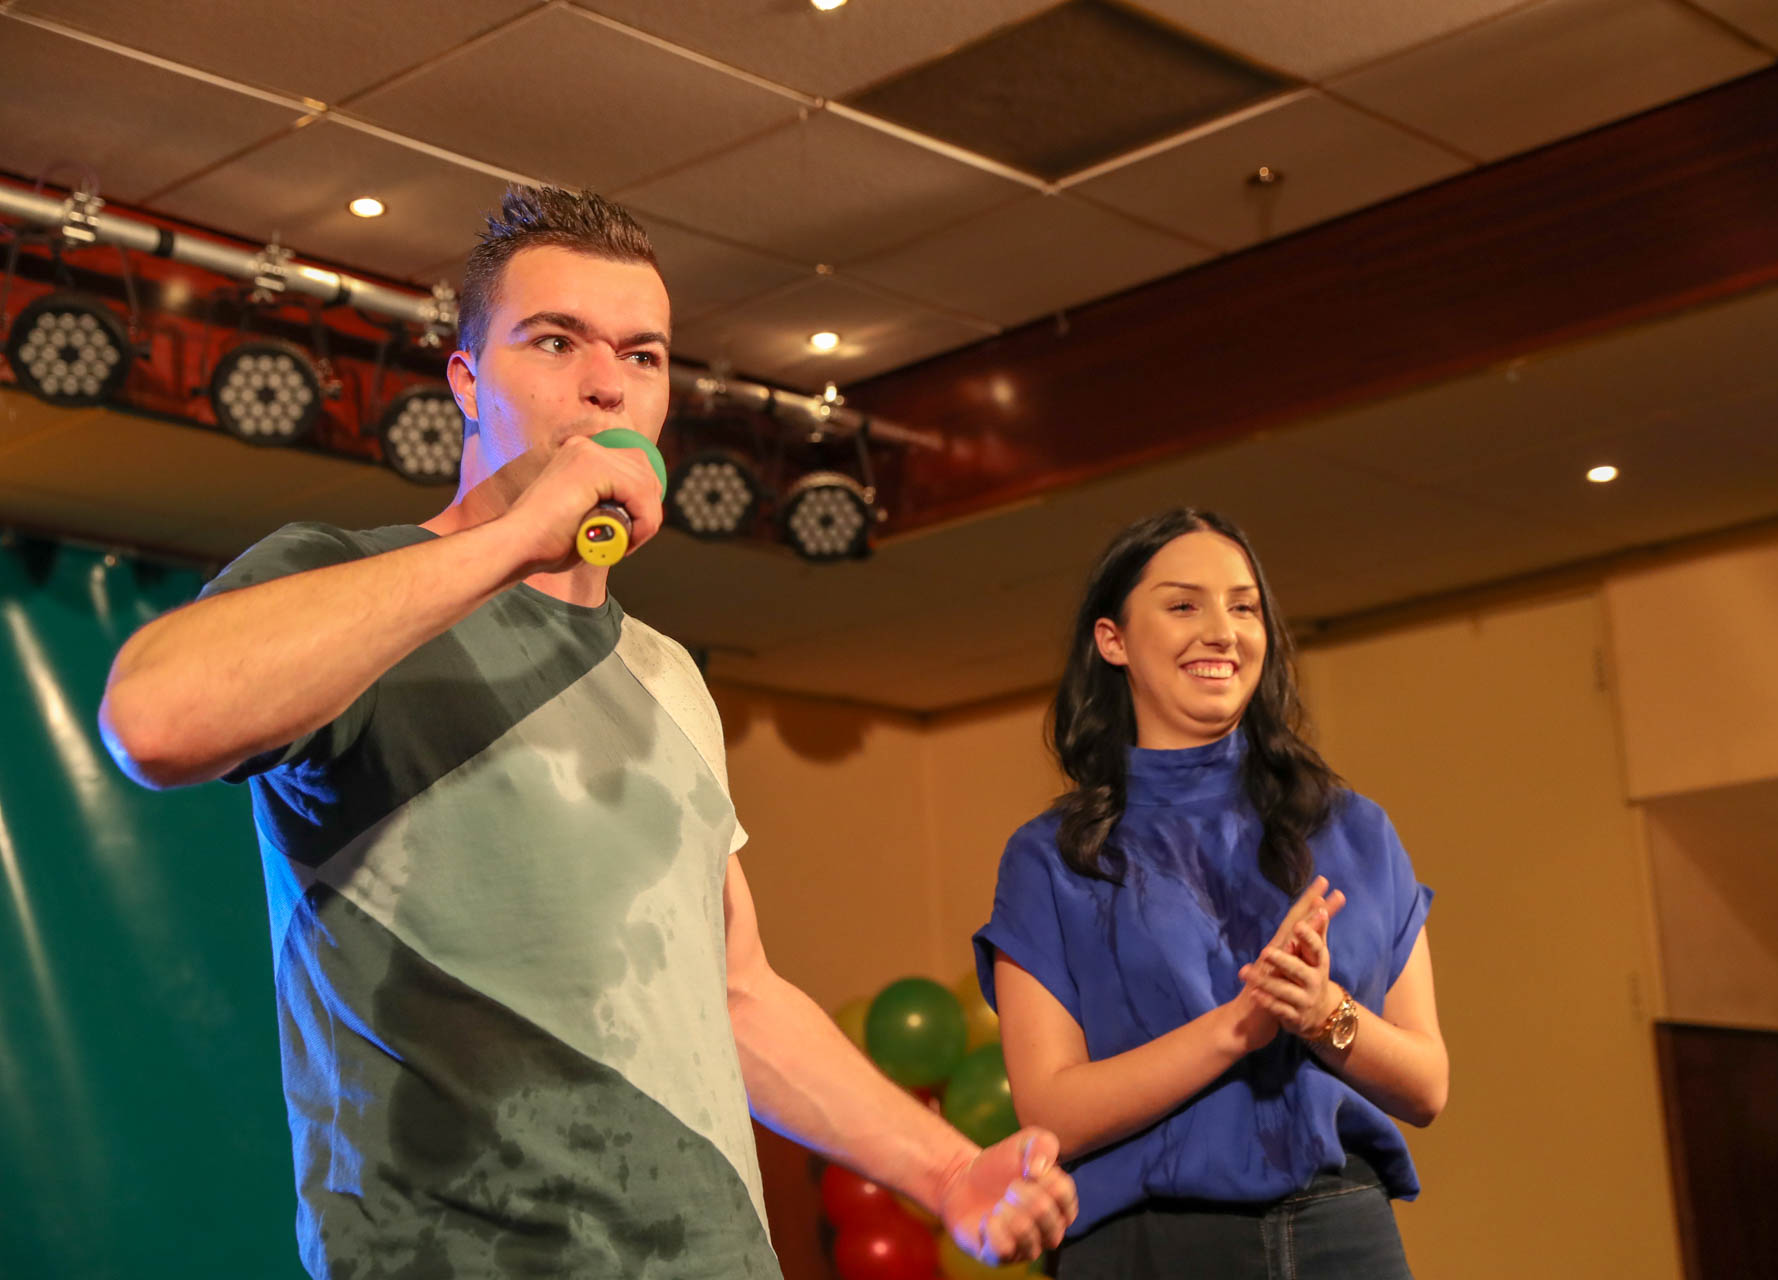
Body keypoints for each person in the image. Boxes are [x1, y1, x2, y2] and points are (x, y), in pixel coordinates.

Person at [98, 186, 1076, 1279]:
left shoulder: (666, 673)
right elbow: (154, 717)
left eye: (642, 355)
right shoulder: (349, 582)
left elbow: (736, 993)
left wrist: (948, 1169)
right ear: (466, 381)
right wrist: (512, 539)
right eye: (555, 341)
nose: (606, 382)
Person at [974, 509, 1447, 1279]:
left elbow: (1427, 1085)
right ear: (1113, 640)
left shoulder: (1355, 828)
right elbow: (1051, 1110)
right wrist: (1237, 1027)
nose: (1222, 631)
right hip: (1152, 1243)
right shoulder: (1053, 856)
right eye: (1184, 605)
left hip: (1343, 1232)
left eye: (1244, 606)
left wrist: (1322, 1012)